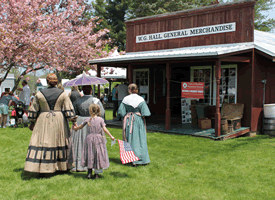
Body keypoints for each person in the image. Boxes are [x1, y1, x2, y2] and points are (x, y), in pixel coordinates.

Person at [24, 73, 77, 175]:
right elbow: (68, 110)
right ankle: (61, 166)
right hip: (59, 120)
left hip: (43, 119)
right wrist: (73, 121)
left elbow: (34, 109)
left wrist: (32, 122)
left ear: (47, 81)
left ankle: (42, 167)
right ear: (56, 82)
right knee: (59, 141)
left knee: (43, 141)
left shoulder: (39, 94)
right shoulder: (63, 93)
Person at [72, 104, 115, 179]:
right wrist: (111, 136)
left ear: (90, 111)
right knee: (97, 155)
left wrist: (75, 128)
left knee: (90, 154)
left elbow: (80, 127)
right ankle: (96, 174)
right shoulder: (100, 120)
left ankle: (89, 173)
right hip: (98, 139)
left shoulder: (87, 119)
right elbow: (104, 129)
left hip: (89, 139)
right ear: (98, 111)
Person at [70, 85, 105, 172]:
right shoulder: (95, 101)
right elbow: (102, 113)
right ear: (91, 91)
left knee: (80, 144)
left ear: (82, 90)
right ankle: (92, 164)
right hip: (93, 122)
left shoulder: (78, 101)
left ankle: (78, 164)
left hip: (81, 122)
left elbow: (73, 113)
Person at [117, 83, 151, 166]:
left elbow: (121, 112)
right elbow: (146, 113)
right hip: (138, 120)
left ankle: (130, 159)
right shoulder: (141, 99)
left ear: (129, 90)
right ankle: (140, 159)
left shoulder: (125, 99)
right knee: (139, 139)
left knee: (129, 138)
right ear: (137, 90)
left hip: (129, 120)